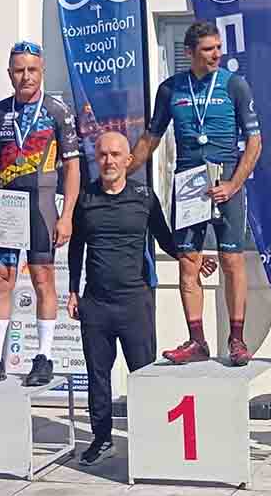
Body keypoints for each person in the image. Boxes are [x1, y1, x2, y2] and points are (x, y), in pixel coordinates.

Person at [68, 131, 216, 466]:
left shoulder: (144, 197)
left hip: (135, 302)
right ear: (96, 158)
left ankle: (149, 440)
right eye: (103, 154)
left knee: (143, 375)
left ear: (128, 160)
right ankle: (102, 439)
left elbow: (165, 238)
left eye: (115, 154)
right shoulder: (85, 198)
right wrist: (73, 290)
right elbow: (76, 247)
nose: (109, 160)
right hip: (96, 303)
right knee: (98, 376)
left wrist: (192, 259)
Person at [127, 21, 262, 367]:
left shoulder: (234, 85)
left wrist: (233, 184)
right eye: (208, 49)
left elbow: (254, 143)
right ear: (189, 52)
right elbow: (151, 138)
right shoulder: (170, 89)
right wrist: (120, 172)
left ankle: (236, 339)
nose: (216, 54)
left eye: (218, 48)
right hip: (188, 182)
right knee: (188, 261)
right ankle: (197, 340)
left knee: (232, 260)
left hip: (226, 181)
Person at [0, 40, 81, 387]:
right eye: (19, 70)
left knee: (43, 279)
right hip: (5, 207)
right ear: (9, 74)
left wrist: (67, 215)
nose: (26, 77)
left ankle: (44, 357)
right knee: (1, 279)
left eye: (32, 70)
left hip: (42, 205)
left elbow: (73, 168)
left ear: (42, 71)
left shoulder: (58, 112)